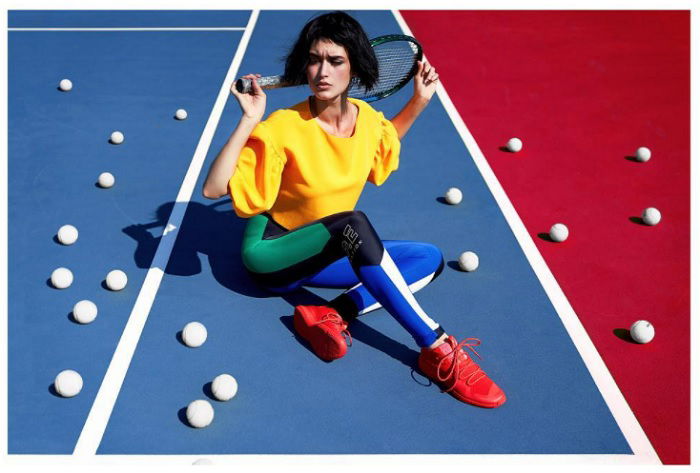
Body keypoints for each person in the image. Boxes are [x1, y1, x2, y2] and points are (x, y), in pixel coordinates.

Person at [203, 11, 506, 408]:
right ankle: (436, 346)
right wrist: (249, 119)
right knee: (355, 225)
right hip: (275, 253)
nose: (322, 71)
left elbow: (384, 140)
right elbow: (213, 189)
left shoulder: (367, 121)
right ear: (303, 65)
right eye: (314, 59)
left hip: (329, 249)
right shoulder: (281, 127)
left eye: (336, 61)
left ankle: (332, 313)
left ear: (355, 67)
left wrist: (418, 101)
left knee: (427, 259)